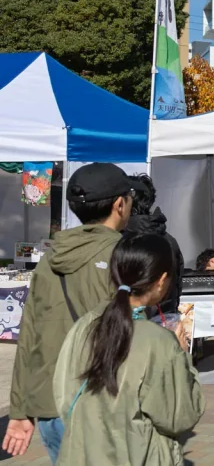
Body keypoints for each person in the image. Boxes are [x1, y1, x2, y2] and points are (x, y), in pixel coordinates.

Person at [4, 163, 140, 462]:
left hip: (50, 402)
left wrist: (20, 410)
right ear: (120, 204)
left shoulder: (50, 258)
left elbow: (29, 336)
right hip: (105, 400)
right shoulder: (126, 255)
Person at [53, 229, 206, 465]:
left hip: (81, 455)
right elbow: (179, 416)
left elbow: (64, 397)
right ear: (162, 281)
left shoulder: (84, 326)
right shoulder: (160, 342)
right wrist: (183, 356)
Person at [126, 173, 185, 313]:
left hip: (127, 320)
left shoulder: (120, 240)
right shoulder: (169, 240)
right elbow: (176, 287)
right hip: (164, 317)